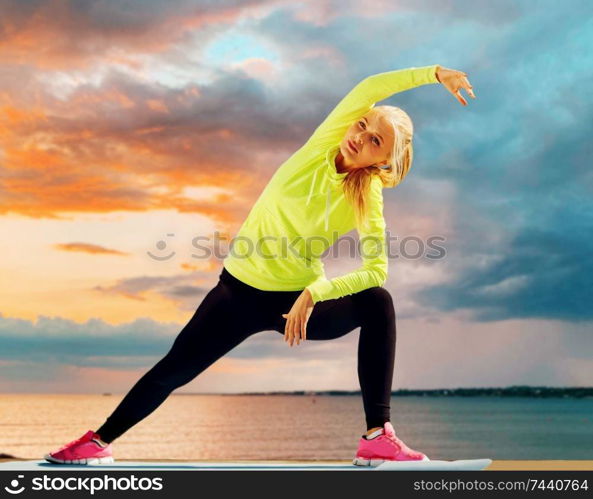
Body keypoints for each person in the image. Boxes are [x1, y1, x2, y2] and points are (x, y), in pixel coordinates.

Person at [44, 64, 475, 466]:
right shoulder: (322, 145)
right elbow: (368, 89)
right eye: (363, 124)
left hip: (296, 304)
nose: (361, 136)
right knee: (173, 370)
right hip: (237, 293)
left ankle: (377, 436)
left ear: (381, 162)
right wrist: (435, 74)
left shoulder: (367, 197)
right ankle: (96, 444)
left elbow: (376, 271)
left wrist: (315, 292)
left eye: (375, 141)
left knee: (377, 302)